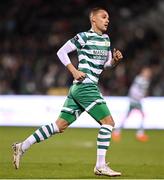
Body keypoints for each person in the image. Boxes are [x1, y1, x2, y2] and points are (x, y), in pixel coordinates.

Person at [12, 7, 123, 177]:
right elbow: (61, 51)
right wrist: (74, 71)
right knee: (108, 122)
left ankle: (22, 146)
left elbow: (105, 65)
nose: (107, 20)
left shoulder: (106, 39)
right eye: (103, 17)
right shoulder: (83, 37)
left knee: (59, 125)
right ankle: (100, 166)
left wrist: (114, 61)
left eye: (108, 17)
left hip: (80, 89)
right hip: (85, 86)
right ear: (93, 19)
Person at [112, 67, 152, 142]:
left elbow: (137, 90)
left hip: (135, 100)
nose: (148, 74)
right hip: (135, 101)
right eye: (146, 72)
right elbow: (135, 90)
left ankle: (117, 132)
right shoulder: (141, 80)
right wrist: (137, 97)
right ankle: (140, 134)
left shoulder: (142, 79)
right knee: (142, 115)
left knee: (128, 116)